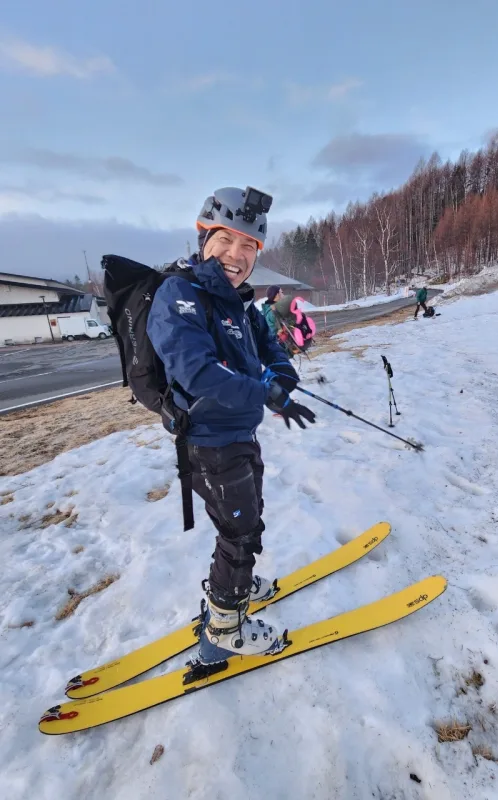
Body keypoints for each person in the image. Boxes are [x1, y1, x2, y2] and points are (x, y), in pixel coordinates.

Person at [146, 187, 316, 665]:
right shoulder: (180, 294)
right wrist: (264, 392)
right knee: (241, 533)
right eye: (226, 240)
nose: (236, 256)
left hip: (239, 435)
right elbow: (196, 371)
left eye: (249, 247)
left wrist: (281, 379)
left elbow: (271, 349)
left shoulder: (238, 301)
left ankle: (232, 582)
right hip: (208, 443)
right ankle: (224, 627)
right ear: (204, 237)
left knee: (246, 518)